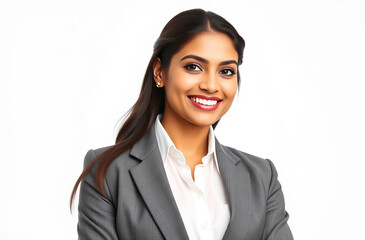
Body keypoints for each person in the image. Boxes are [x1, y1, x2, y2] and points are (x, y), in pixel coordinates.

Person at [70, 8, 294, 240]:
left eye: (226, 71)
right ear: (160, 72)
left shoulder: (261, 177)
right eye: (193, 67)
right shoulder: (108, 172)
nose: (210, 85)